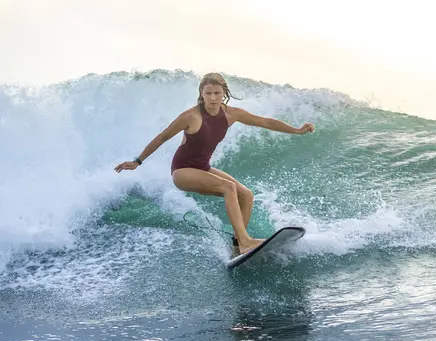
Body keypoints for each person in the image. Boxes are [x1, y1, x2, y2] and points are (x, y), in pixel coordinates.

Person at [114, 73, 315, 255]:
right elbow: (162, 137)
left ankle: (238, 247)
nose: (212, 97)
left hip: (203, 167)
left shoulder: (232, 114)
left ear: (223, 93)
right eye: (208, 93)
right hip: (182, 170)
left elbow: (266, 122)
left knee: (246, 194)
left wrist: (297, 130)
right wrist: (137, 161)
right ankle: (245, 241)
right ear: (201, 94)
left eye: (217, 93)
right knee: (228, 187)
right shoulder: (191, 116)